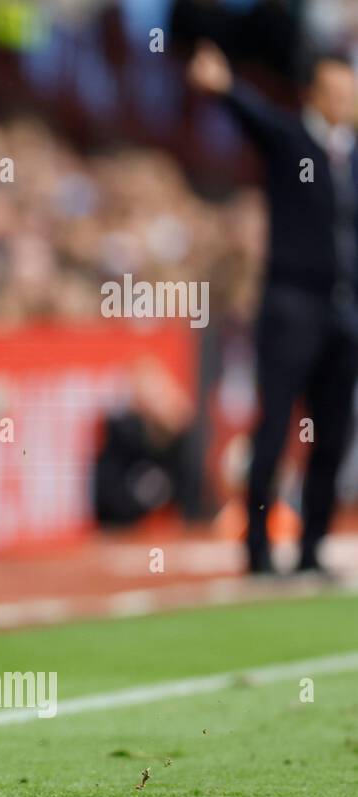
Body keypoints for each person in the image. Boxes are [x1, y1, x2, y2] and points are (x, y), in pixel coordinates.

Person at [189, 41, 358, 575]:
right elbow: (253, 115)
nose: (346, 100)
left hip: (344, 311)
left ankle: (311, 547)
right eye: (336, 90)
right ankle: (258, 547)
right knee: (274, 426)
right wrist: (223, 85)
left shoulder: (353, 156)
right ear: (315, 93)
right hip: (291, 305)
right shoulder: (291, 138)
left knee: (331, 432)